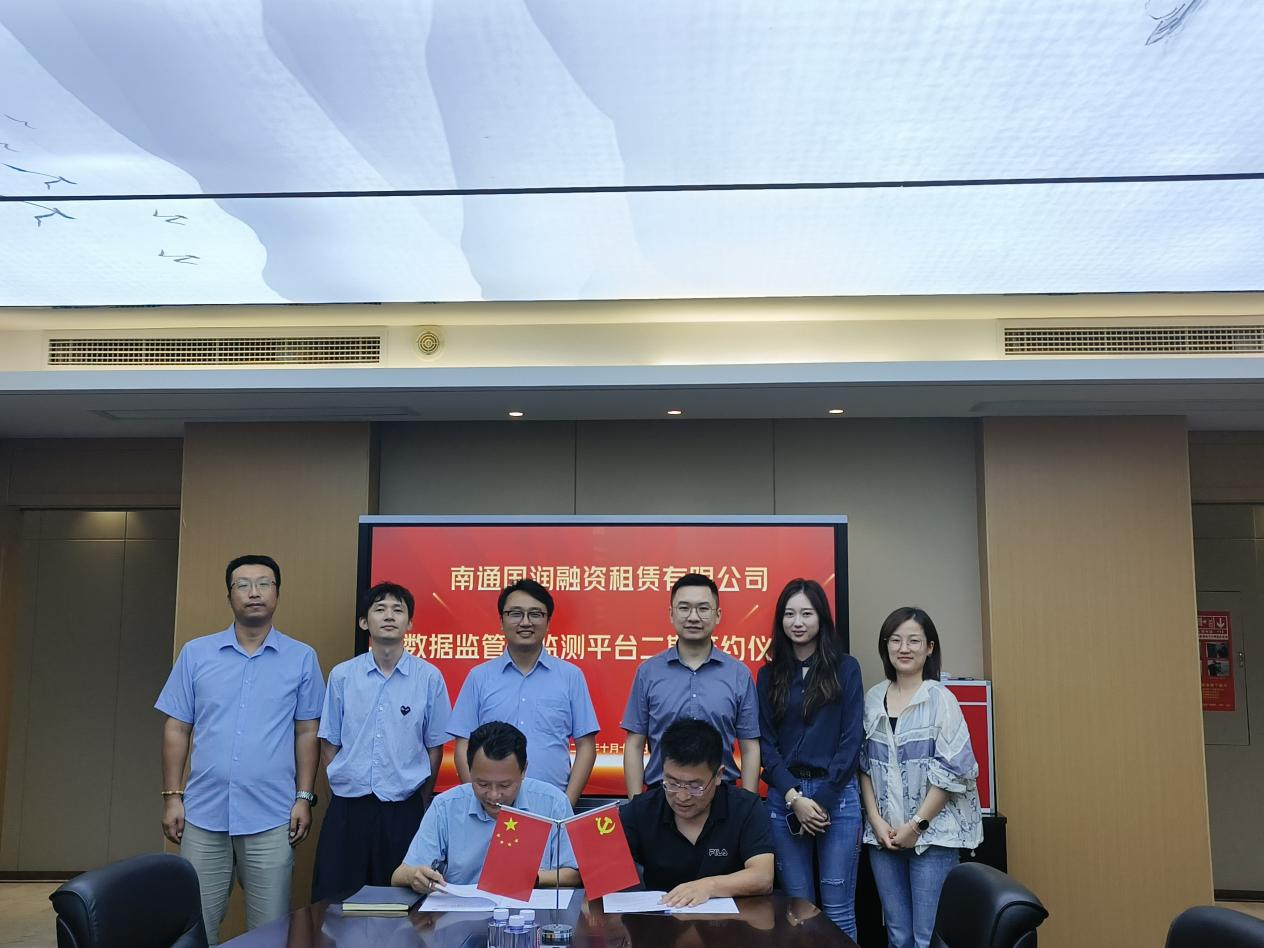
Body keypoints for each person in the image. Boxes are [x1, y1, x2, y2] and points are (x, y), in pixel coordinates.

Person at [155, 554, 324, 946]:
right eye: (243, 585)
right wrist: (172, 796)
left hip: (272, 815)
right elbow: (177, 727)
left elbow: (307, 732)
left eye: (264, 584)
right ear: (229, 595)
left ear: (277, 593)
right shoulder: (196, 653)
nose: (254, 593)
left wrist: (304, 797)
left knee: (270, 930)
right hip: (203, 813)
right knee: (194, 926)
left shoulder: (301, 657)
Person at [311, 581, 452, 901]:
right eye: (380, 609)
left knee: (401, 902)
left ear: (409, 623)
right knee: (337, 902)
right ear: (364, 622)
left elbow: (434, 748)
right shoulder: (342, 675)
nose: (389, 616)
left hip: (403, 810)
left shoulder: (429, 677)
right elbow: (329, 745)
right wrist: (341, 792)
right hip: (349, 809)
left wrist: (419, 798)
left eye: (398, 610)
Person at [859, 607, 983, 948]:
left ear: (929, 648)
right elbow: (863, 766)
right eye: (895, 640)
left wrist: (916, 826)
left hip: (933, 839)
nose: (904, 648)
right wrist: (875, 821)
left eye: (914, 640)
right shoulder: (873, 698)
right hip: (884, 838)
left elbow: (953, 771)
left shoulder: (941, 699)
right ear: (885, 646)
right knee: (897, 935)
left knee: (928, 937)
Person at [756, 578, 864, 938]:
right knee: (798, 912)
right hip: (785, 799)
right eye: (789, 614)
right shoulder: (769, 674)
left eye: (807, 613)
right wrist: (795, 799)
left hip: (837, 797)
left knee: (838, 912)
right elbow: (766, 744)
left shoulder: (846, 668)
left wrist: (822, 801)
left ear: (822, 618)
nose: (797, 622)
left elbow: (852, 739)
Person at [447, 580, 599, 806]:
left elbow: (586, 746)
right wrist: (480, 800)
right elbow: (463, 746)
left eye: (535, 614)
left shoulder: (570, 676)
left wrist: (565, 805)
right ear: (501, 621)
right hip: (492, 804)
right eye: (515, 613)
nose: (525, 622)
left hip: (550, 805)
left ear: (548, 622)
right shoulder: (479, 677)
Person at [392, 721, 580, 893]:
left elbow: (574, 873)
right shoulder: (445, 806)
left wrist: (533, 878)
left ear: (524, 771)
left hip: (533, 914)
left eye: (505, 785)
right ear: (469, 769)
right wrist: (415, 876)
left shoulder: (552, 802)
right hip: (461, 914)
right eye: (482, 784)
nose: (493, 795)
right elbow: (399, 875)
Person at [621, 573, 760, 796]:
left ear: (717, 615)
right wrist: (636, 803)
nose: (693, 617)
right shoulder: (648, 672)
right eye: (684, 608)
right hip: (662, 794)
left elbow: (750, 746)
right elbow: (634, 744)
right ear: (671, 613)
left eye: (703, 609)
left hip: (721, 795)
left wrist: (748, 804)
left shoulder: (739, 675)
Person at [619, 718, 774, 907]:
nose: (682, 796)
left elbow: (763, 877)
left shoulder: (745, 808)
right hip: (662, 920)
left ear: (718, 775)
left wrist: (708, 886)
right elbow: (601, 867)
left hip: (733, 923)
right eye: (673, 783)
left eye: (695, 786)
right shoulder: (642, 810)